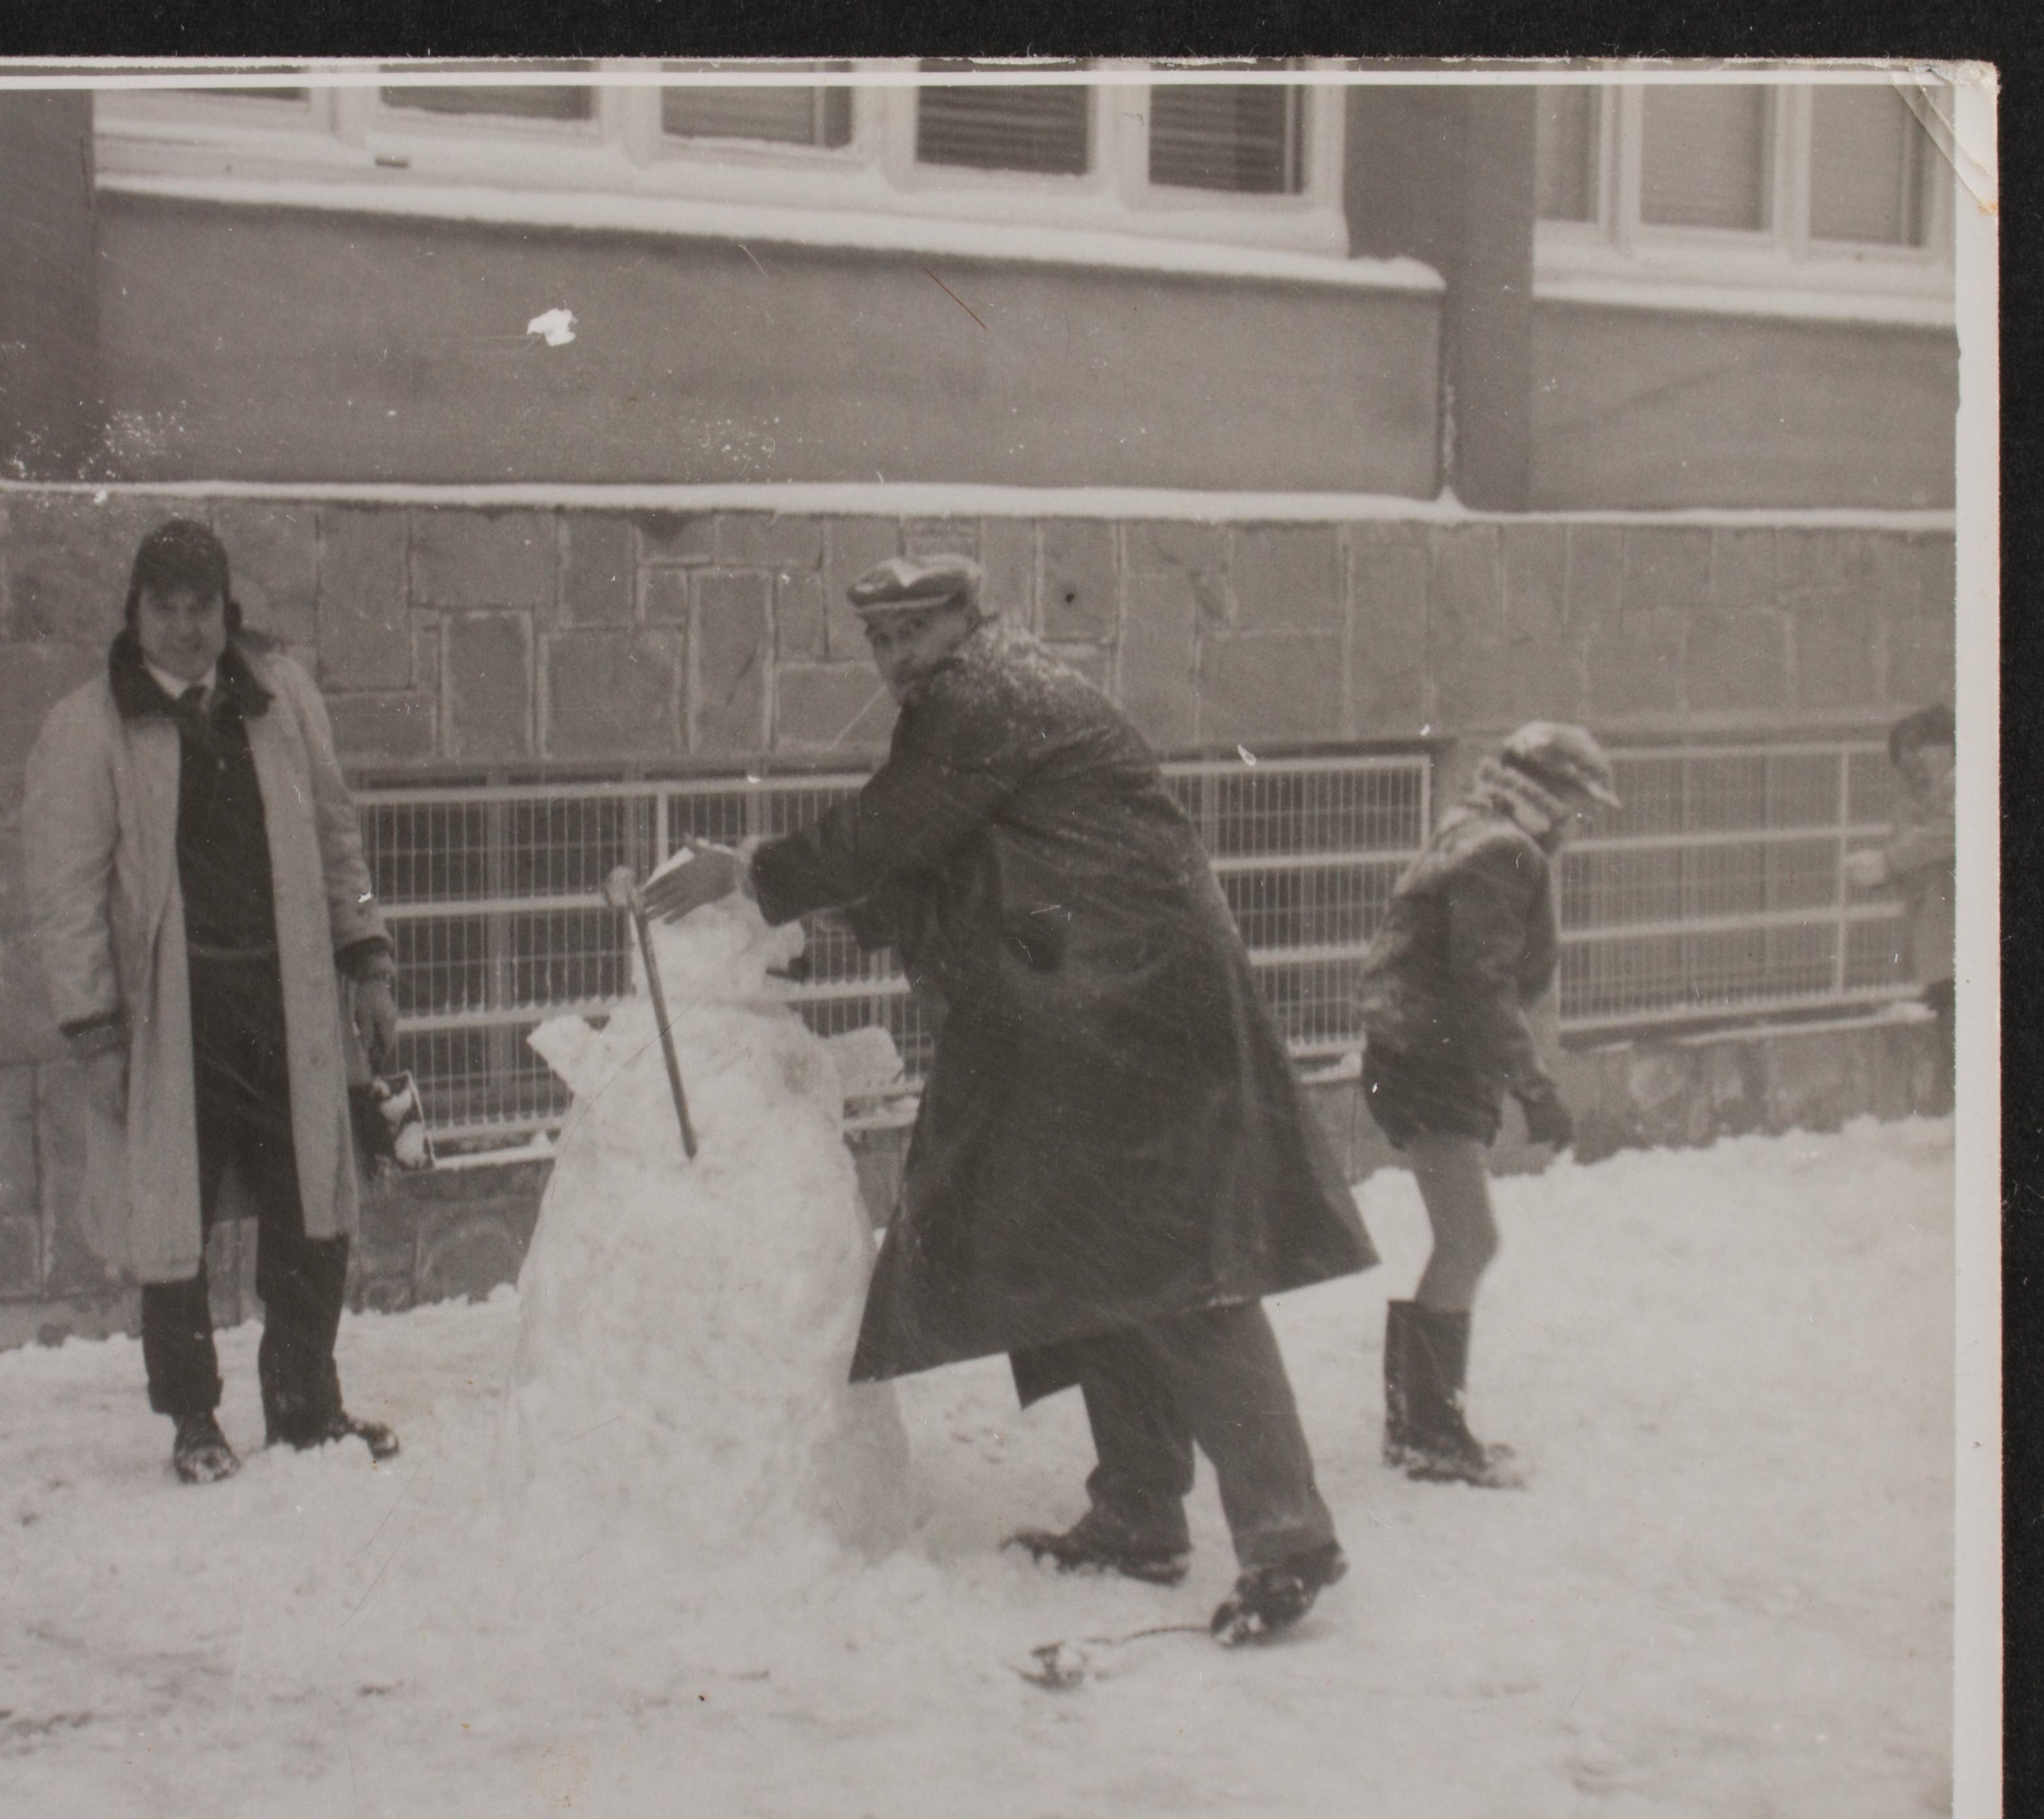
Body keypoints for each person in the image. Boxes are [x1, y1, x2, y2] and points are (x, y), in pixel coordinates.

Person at [642, 555, 1378, 1646]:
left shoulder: (985, 694)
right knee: (1103, 1259)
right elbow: (938, 859)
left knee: (1182, 1275)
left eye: (911, 630)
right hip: (1089, 1008)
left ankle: (1288, 1539)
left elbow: (885, 834)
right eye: (878, 638)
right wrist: (807, 929)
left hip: (1133, 1013)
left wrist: (749, 873)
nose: (894, 655)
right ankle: (1138, 1512)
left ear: (964, 617)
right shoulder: (987, 697)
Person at [24, 519, 403, 1485]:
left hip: (285, 1001)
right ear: (135, 613)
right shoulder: (89, 728)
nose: (186, 630)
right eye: (166, 609)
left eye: (202, 609)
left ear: (226, 612)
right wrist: (94, 1029)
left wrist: (367, 955)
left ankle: (305, 1405)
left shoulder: (282, 700)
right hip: (173, 1016)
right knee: (172, 1227)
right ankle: (193, 1420)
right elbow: (66, 898)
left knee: (310, 1207)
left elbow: (339, 838)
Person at [1354, 722, 1620, 1489]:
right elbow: (1483, 985)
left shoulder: (1474, 830)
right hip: (1432, 1064)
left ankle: (1420, 1427)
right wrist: (1535, 1088)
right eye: (1579, 804)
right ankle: (1430, 1436)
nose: (1581, 821)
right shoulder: (1505, 852)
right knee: (1469, 1241)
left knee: (1464, 1240)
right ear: (1550, 794)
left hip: (1416, 1057)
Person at [1844, 703, 1955, 1114]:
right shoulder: (1912, 803)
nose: (1910, 763)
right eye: (1902, 757)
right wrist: (1878, 874)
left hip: (1969, 940)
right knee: (1953, 1033)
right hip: (1939, 945)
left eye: (1918, 750)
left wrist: (1889, 862)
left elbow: (1951, 833)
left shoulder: (1966, 784)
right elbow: (1911, 858)